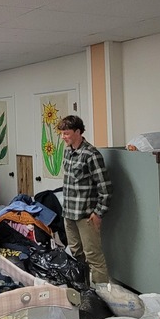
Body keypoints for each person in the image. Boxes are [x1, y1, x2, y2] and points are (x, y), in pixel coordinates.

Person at [57, 114, 111, 287]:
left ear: (78, 132)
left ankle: (101, 295)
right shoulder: (67, 151)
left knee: (93, 256)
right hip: (69, 213)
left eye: (66, 133)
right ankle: (84, 289)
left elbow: (105, 188)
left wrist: (98, 213)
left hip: (86, 215)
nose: (63, 137)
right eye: (62, 133)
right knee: (76, 253)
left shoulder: (91, 154)